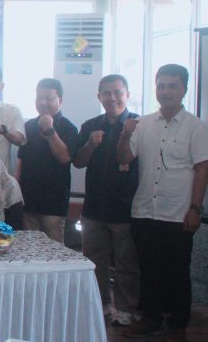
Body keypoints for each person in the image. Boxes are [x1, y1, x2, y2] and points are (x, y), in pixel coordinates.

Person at [117, 64, 208, 341]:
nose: (165, 91)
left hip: (178, 212)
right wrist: (125, 134)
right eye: (161, 85)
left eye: (172, 86)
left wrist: (195, 209)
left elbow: (202, 169)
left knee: (177, 272)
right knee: (149, 269)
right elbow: (124, 158)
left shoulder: (197, 126)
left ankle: (178, 324)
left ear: (184, 90)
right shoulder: (142, 124)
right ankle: (151, 318)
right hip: (144, 210)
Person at [73, 74, 140, 326]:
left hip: (126, 207)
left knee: (126, 263)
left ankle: (125, 308)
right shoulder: (90, 126)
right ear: (99, 96)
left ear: (127, 94)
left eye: (117, 92)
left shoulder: (139, 124)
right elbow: (78, 162)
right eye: (106, 93)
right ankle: (100, 304)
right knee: (94, 260)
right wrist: (90, 145)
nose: (112, 98)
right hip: (94, 207)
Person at [17, 78, 78, 244]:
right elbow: (21, 161)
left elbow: (65, 158)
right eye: (39, 98)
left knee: (53, 252)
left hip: (53, 205)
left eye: (49, 98)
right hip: (28, 202)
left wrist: (49, 130)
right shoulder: (29, 125)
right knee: (28, 249)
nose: (43, 102)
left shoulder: (68, 127)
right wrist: (17, 193)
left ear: (60, 101)